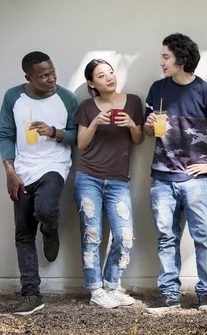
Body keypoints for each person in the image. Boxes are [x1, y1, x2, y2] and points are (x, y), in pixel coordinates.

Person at [143, 33, 207, 313]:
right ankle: (169, 293)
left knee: (204, 237)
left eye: (166, 57)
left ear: (181, 60)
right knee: (166, 237)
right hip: (161, 178)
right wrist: (149, 124)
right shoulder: (157, 89)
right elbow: (148, 131)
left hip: (195, 180)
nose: (161, 61)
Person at [0, 51, 78, 315]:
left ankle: (50, 228)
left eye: (52, 72)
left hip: (54, 165)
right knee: (23, 234)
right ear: (28, 77)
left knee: (45, 210)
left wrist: (53, 132)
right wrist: (10, 171)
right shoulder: (13, 96)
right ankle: (32, 294)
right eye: (43, 76)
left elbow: (78, 136)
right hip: (23, 169)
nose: (51, 79)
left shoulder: (66, 98)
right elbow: (6, 134)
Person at [74, 59, 144, 308]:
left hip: (118, 181)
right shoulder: (86, 106)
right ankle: (96, 290)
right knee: (92, 236)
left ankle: (111, 286)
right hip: (88, 178)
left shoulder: (134, 101)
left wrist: (131, 126)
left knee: (125, 237)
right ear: (92, 84)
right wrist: (95, 122)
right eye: (101, 76)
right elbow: (81, 144)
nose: (109, 78)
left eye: (111, 72)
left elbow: (138, 140)